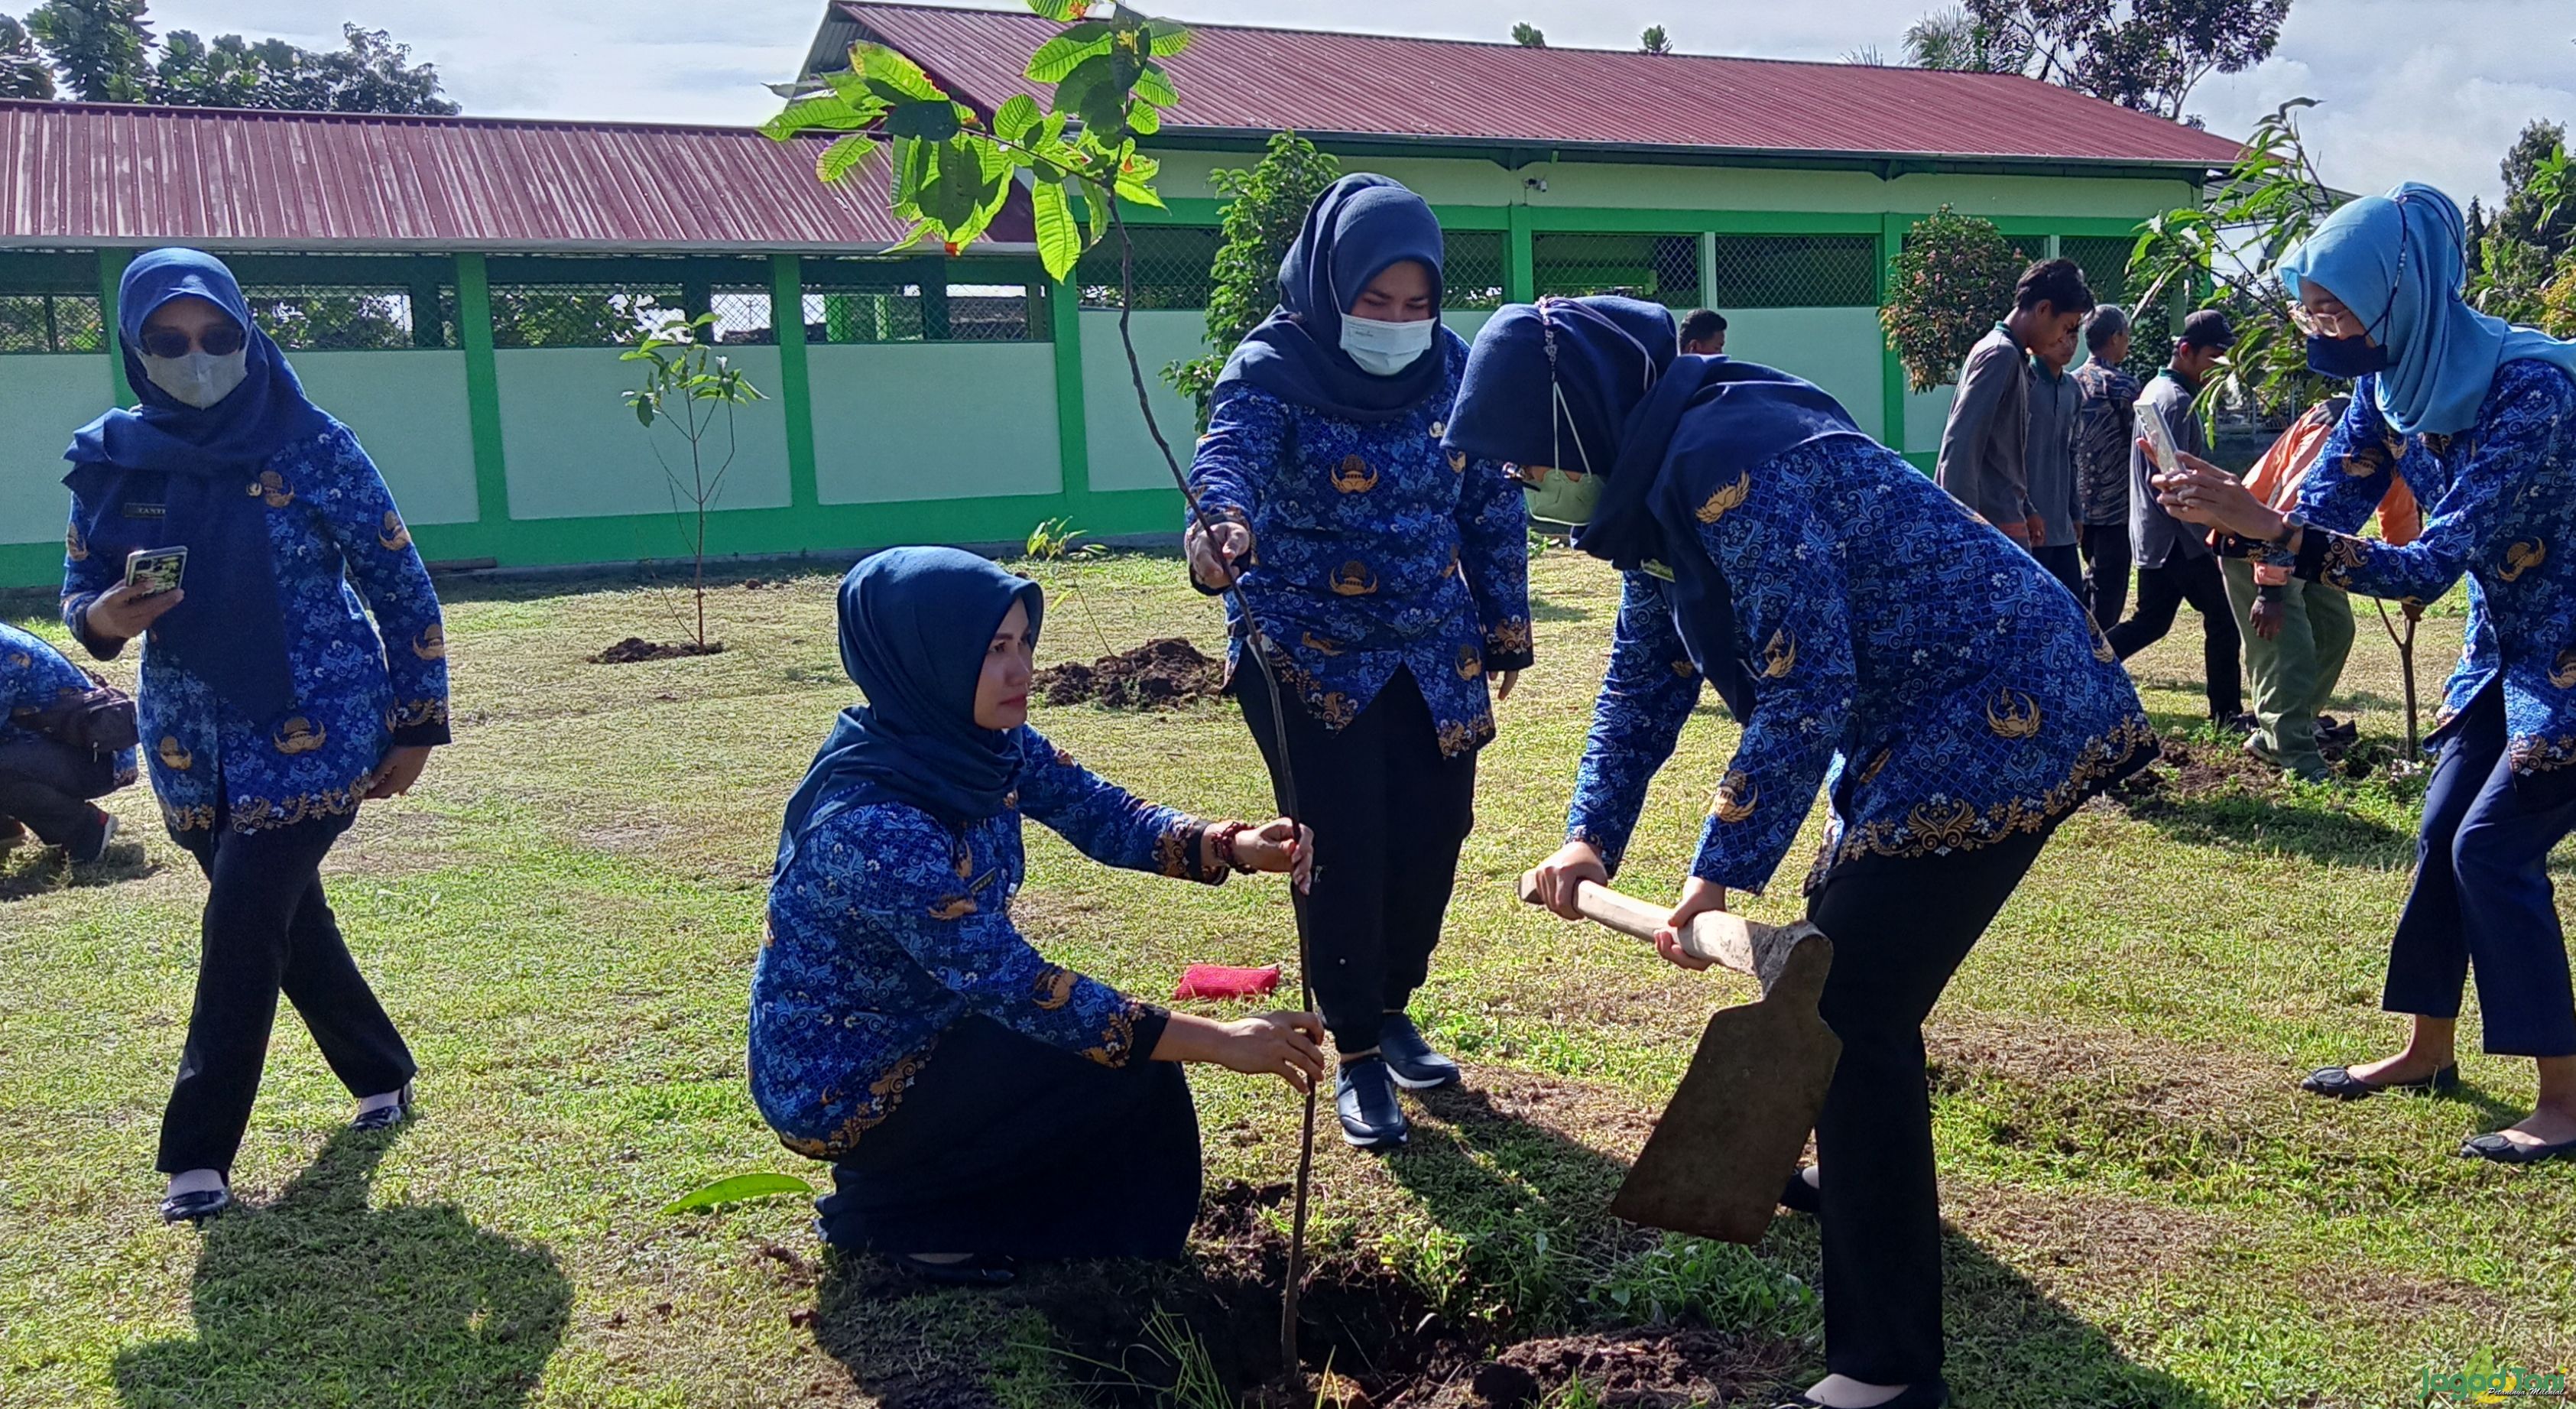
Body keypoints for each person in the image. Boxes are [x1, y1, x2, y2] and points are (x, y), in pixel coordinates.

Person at [1458, 297, 2152, 1409]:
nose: (1522, 482)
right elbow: (1643, 674)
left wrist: (1715, 869)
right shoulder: (1653, 481)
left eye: (1527, 458)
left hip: (1994, 707)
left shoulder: (1727, 459)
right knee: (1847, 971)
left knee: (1848, 1003)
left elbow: (1804, 680)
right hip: (1913, 723)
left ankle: (1884, 1373)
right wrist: (1590, 833)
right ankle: (1854, 1170)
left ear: (1578, 417)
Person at [750, 548, 1324, 1282]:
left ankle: (914, 1192)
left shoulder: (977, 744)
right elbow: (1019, 986)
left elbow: (1095, 807)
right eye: (993, 649)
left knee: (1117, 1069)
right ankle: (897, 1219)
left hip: (931, 1023)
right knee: (1124, 1069)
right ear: (926, 656)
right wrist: (1221, 1040)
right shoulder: (875, 827)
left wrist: (1232, 844)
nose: (1021, 669)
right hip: (846, 1082)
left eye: (1023, 642)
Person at [2154, 183, 2576, 1164]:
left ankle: (2564, 1100)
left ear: (2403, 295)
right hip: (2505, 648)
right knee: (2441, 837)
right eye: (2311, 310)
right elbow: (2324, 495)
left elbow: (2430, 562)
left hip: (2564, 658)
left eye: (2336, 310)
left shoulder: (2534, 395)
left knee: (2492, 850)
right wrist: (2240, 518)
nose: (2322, 330)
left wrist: (2279, 533)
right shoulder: (2389, 386)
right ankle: (2426, 1049)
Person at [60, 248, 451, 1225]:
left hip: (314, 718)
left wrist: (417, 722)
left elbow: (397, 581)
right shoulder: (111, 459)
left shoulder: (314, 443)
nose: (197, 357)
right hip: (190, 739)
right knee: (285, 919)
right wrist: (107, 618)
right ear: (136, 347)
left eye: (216, 336)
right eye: (170, 340)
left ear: (247, 332)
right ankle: (382, 1072)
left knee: (241, 921)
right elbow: (77, 598)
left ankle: (196, 1156)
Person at [1182, 174, 1533, 1150]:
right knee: (1340, 848)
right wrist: (1221, 530)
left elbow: (1490, 502)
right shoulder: (1271, 367)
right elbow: (1227, 461)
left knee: (1434, 835)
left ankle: (1388, 1004)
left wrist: (1504, 628)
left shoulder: (1453, 367)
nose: (1396, 322)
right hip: (1305, 650)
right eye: (1374, 302)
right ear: (1330, 286)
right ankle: (1357, 1052)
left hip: (1430, 644)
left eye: (1416, 304)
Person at [2218, 395, 2421, 782]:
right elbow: (2284, 512)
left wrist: (2411, 589)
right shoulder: (2334, 433)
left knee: (2334, 628)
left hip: (2312, 546)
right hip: (2253, 541)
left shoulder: (2401, 443)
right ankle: (2294, 753)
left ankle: (2278, 732)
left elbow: (2399, 516)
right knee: (2286, 645)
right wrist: (2271, 592)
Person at [2104, 309, 2247, 727]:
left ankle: (2085, 664)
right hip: (2177, 537)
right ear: (2185, 351)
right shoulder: (2174, 400)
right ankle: (2226, 714)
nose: (2220, 367)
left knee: (2151, 621)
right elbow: (2169, 479)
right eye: (2214, 357)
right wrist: (2212, 530)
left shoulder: (2160, 390)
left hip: (2162, 535)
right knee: (2223, 618)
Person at [1934, 258, 2094, 549]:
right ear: (2044, 309)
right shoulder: (2000, 355)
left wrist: (2027, 508)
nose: (2063, 339)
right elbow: (1961, 444)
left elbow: (2000, 455)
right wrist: (1963, 530)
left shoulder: (2014, 357)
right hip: (1990, 529)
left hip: (2008, 520)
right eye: (2066, 327)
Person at [0, 620, 136, 862]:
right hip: (58, 747)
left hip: (98, 757)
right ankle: (5, 829)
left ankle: (85, 829)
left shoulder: (4, 649)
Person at [2072, 305, 2143, 628]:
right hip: (2117, 508)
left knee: (2092, 578)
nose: (2128, 342)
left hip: (2078, 507)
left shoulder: (2070, 384)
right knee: (2109, 590)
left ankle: (2081, 642)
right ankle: (2098, 654)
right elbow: (2143, 446)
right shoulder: (2123, 387)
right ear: (2115, 337)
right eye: (2126, 336)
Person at [2025, 326, 2085, 598]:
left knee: (2074, 604)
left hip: (2061, 525)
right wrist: (2026, 508)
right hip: (2027, 524)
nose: (2068, 344)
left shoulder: (2073, 388)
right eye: (2060, 335)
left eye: (2073, 336)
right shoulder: (2024, 381)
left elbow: (2071, 453)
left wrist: (2076, 511)